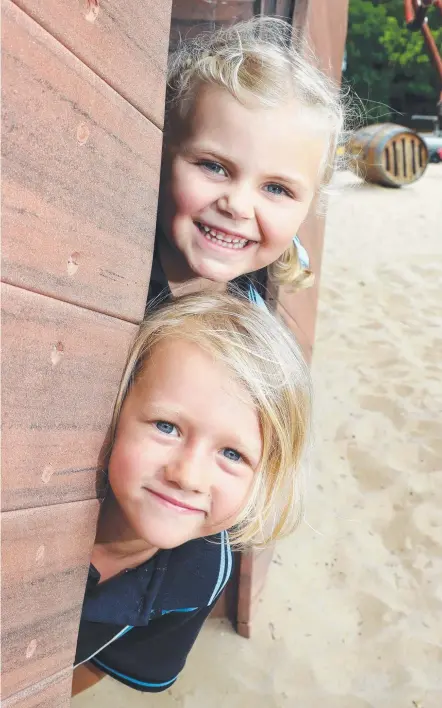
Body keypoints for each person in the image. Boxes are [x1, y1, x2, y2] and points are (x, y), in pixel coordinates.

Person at [72, 292, 311, 695]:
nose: (188, 475)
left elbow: (103, 662)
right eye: (166, 426)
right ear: (115, 410)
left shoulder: (200, 576)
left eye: (232, 454)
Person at [148, 16, 346, 307]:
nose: (238, 206)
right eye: (214, 167)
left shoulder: (251, 300)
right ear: (161, 155)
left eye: (277, 189)